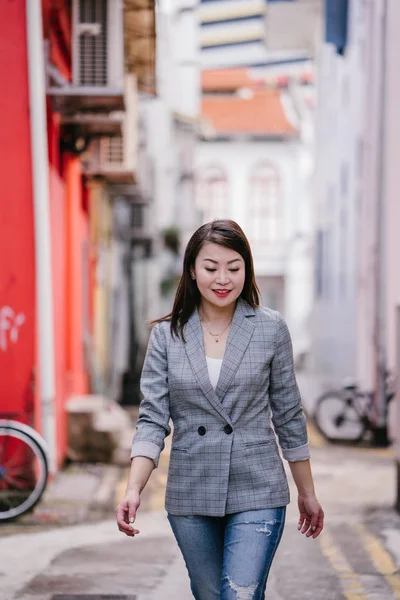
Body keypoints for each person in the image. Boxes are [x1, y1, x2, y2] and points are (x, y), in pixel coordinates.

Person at [116, 220, 324, 600]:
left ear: (247, 268)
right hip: (191, 489)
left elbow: (289, 415)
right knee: (211, 593)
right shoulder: (167, 335)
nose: (223, 278)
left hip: (258, 486)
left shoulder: (270, 329)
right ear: (192, 271)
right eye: (211, 268)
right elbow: (152, 420)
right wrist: (133, 487)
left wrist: (306, 491)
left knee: (239, 594)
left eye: (234, 267)